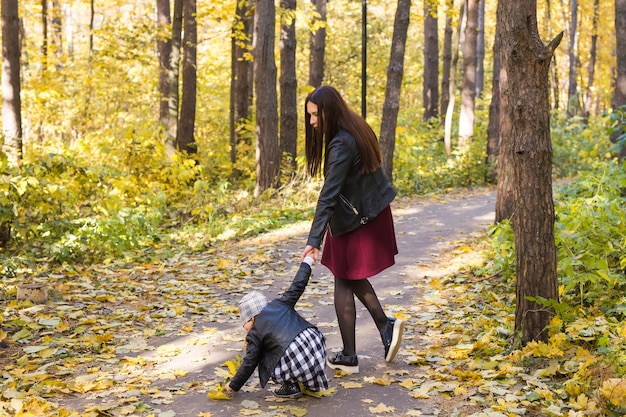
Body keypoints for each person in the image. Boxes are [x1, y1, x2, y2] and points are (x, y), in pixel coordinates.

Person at [300, 85, 404, 374]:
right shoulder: (352, 127)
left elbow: (329, 194)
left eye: (315, 115)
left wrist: (314, 240)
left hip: (358, 217)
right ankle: (366, 342)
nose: (312, 122)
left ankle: (372, 336)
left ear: (329, 111)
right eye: (309, 116)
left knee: (345, 277)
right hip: (358, 214)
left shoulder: (342, 143)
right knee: (344, 277)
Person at [224, 256, 328, 399]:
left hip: (294, 354)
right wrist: (307, 262)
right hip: (315, 344)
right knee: (292, 351)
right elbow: (298, 284)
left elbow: (250, 362)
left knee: (266, 356)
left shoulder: (254, 333)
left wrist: (233, 385)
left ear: (251, 317)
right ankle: (310, 380)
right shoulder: (281, 303)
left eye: (245, 323)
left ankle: (290, 385)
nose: (245, 328)